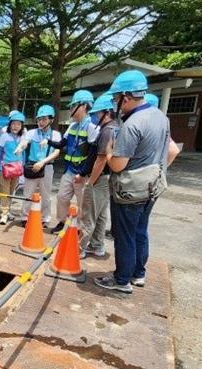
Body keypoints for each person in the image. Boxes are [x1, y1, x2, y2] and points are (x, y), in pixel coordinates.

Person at [94, 70, 180, 294]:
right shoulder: (160, 116)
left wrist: (110, 152)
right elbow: (171, 150)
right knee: (140, 231)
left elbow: (117, 166)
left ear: (127, 96)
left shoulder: (132, 125)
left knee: (124, 235)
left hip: (130, 190)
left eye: (116, 99)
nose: (116, 104)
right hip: (153, 186)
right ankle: (138, 274)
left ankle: (122, 280)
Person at [49, 90, 100, 234]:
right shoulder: (73, 126)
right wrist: (48, 141)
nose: (70, 109)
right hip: (69, 169)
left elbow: (93, 153)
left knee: (82, 202)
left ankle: (79, 229)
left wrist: (84, 173)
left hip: (82, 173)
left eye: (73, 106)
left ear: (83, 106)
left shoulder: (92, 127)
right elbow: (61, 144)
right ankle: (62, 221)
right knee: (62, 197)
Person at [78, 93, 117, 259]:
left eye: (96, 113)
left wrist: (90, 182)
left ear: (106, 113)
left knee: (89, 215)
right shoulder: (115, 127)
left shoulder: (107, 131)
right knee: (101, 214)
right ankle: (97, 245)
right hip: (108, 178)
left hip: (99, 178)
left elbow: (100, 160)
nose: (94, 117)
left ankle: (79, 249)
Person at [16, 105, 61, 227]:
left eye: (44, 119)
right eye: (39, 119)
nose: (41, 122)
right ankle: (25, 217)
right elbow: (25, 142)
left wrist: (43, 162)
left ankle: (44, 218)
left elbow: (57, 152)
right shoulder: (32, 133)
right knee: (28, 193)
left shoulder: (55, 135)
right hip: (32, 166)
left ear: (51, 119)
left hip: (47, 167)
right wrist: (20, 147)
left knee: (46, 194)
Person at [0, 111, 26, 225]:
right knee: (5, 191)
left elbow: (23, 154)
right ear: (10, 125)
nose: (16, 126)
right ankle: (3, 214)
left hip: (17, 168)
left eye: (18, 124)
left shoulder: (23, 137)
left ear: (21, 126)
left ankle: (7, 211)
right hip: (5, 168)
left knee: (12, 192)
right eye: (13, 124)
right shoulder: (4, 136)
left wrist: (22, 167)